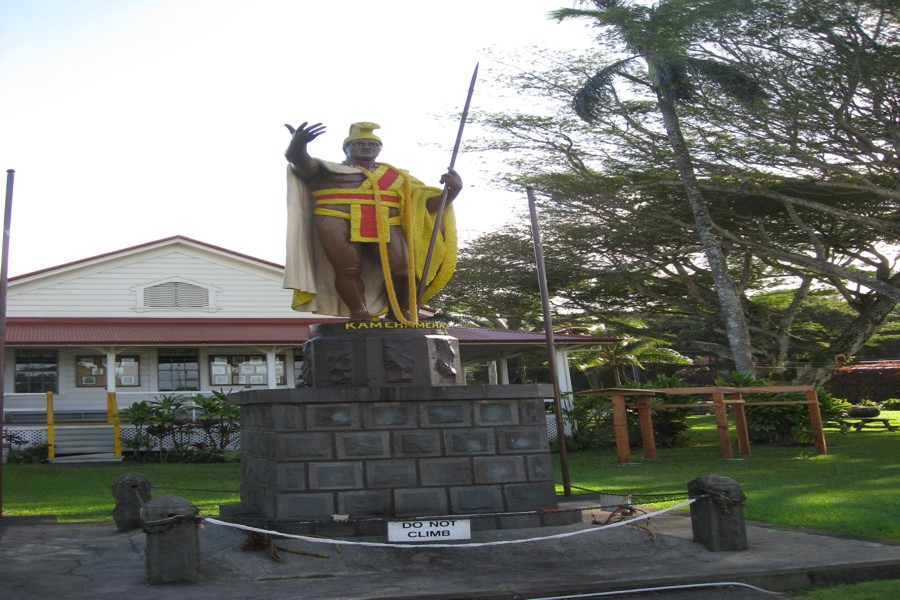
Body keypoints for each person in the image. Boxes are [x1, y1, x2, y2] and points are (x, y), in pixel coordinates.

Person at [283, 121, 462, 323]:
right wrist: (298, 143)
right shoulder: (328, 170)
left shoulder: (397, 176)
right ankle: (359, 313)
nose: (367, 146)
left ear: (379, 148)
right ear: (346, 148)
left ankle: (400, 312)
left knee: (405, 270)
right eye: (359, 143)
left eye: (372, 144)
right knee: (348, 269)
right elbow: (298, 160)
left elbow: (427, 207)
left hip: (386, 221)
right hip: (335, 219)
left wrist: (453, 190)